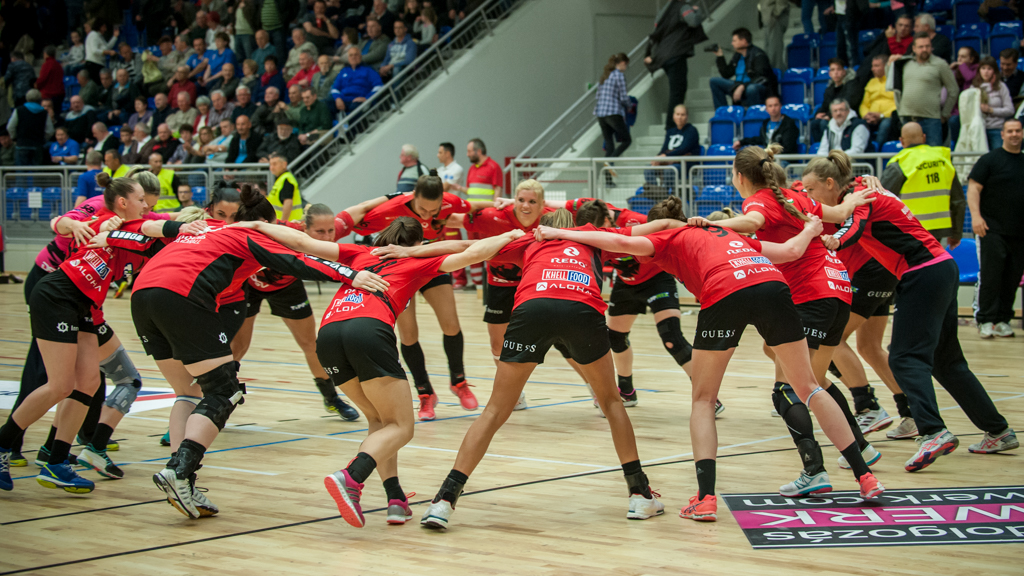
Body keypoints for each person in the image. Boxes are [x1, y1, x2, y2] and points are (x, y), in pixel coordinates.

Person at [544, 192, 884, 522]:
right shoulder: (721, 231)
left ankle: (705, 499)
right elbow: (789, 251)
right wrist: (810, 229)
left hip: (725, 290)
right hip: (771, 284)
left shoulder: (666, 237)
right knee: (809, 386)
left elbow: (619, 241)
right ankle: (865, 477)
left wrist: (561, 233)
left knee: (703, 400)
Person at [228, 215, 516, 528]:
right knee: (401, 427)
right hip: (368, 330)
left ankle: (395, 500)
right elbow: (473, 252)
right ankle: (351, 477)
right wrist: (512, 234)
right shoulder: (418, 261)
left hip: (329, 334)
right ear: (418, 244)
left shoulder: (361, 252)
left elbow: (302, 242)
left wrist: (256, 225)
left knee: (380, 421)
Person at [114, 185, 380, 518]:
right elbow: (299, 261)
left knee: (188, 391)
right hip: (182, 295)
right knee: (225, 390)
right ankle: (179, 470)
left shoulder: (210, 227)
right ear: (266, 224)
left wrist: (107, 231)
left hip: (142, 296)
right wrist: (352, 275)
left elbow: (138, 229)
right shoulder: (250, 234)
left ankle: (183, 478)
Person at [412, 207, 668, 530]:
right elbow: (652, 229)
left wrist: (408, 252)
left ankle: (443, 502)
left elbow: (464, 247)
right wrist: (692, 224)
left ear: (541, 228)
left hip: (533, 307)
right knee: (611, 402)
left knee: (494, 410)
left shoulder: (529, 240)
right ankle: (640, 494)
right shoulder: (592, 239)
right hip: (581, 309)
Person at [694, 144, 880, 496]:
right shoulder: (797, 197)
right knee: (814, 382)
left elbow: (752, 222)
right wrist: (858, 195)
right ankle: (862, 452)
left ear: (739, 177)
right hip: (838, 288)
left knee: (788, 391)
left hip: (811, 293)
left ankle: (815, 470)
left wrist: (712, 224)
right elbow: (841, 212)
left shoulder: (759, 201)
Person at [812, 154, 1019, 470]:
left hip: (921, 272)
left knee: (904, 357)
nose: (810, 196)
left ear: (830, 184)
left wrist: (834, 241)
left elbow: (853, 227)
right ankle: (998, 430)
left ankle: (933, 432)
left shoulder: (861, 196)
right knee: (946, 362)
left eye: (811, 189)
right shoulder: (867, 189)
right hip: (940, 268)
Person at [0, 177, 199, 493]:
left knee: (89, 384)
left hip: (85, 306)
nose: (146, 206)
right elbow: (148, 227)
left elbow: (152, 227)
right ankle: (4, 444)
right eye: (141, 200)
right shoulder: (110, 221)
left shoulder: (128, 225)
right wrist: (180, 228)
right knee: (60, 385)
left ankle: (56, 461)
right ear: (123, 201)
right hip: (57, 295)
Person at [334, 176, 486, 418]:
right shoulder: (391, 208)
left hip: (432, 262)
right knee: (408, 334)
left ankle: (459, 382)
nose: (427, 215)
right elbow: (358, 214)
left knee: (451, 324)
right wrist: (336, 227)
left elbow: (475, 206)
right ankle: (425, 393)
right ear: (413, 197)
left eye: (433, 211)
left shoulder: (450, 202)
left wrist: (505, 203)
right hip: (399, 269)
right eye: (422, 209)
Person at [228, 205, 361, 423]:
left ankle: (331, 398)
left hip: (287, 287)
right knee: (239, 346)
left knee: (311, 344)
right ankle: (220, 397)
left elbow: (360, 210)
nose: (327, 237)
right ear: (303, 227)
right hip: (250, 285)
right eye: (320, 232)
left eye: (330, 231)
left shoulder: (329, 231)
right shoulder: (280, 230)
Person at [968, 118, 1024, 339]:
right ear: (1002, 134)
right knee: (991, 277)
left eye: (1017, 131)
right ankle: (985, 320)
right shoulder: (989, 160)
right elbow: (973, 188)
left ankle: (1002, 320)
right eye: (1010, 131)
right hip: (990, 229)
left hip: (1019, 232)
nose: (1014, 134)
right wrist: (976, 217)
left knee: (1012, 278)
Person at [881, 122, 965, 245]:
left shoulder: (901, 163)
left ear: (901, 141)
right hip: (938, 228)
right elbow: (958, 201)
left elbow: (882, 198)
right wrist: (956, 233)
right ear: (924, 137)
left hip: (910, 229)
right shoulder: (943, 160)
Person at [643, 0, 708, 129]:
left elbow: (656, 30)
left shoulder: (664, 11)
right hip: (676, 54)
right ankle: (672, 126)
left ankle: (672, 124)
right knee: (678, 92)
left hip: (664, 56)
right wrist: (697, 11)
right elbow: (693, 21)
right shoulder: (682, 7)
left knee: (675, 91)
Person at [887, 33, 959, 147]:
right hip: (907, 118)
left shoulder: (940, 64)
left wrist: (945, 114)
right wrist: (889, 65)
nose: (924, 49)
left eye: (927, 46)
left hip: (931, 120)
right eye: (921, 47)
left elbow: (953, 90)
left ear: (931, 47)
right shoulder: (905, 63)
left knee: (933, 154)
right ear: (914, 48)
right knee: (910, 154)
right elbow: (892, 83)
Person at [710, 28, 777, 109]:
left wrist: (743, 86)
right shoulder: (737, 55)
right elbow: (726, 74)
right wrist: (720, 56)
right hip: (739, 85)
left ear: (744, 41)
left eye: (734, 41)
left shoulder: (758, 55)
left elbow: (760, 78)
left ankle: (753, 113)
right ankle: (722, 113)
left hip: (756, 87)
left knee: (751, 89)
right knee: (714, 81)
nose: (732, 43)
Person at [646, 104, 700, 192]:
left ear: (687, 116)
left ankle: (665, 193)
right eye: (677, 114)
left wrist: (665, 156)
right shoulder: (670, 131)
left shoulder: (692, 130)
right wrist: (657, 158)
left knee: (670, 170)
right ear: (673, 116)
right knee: (648, 169)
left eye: (682, 115)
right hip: (668, 162)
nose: (680, 117)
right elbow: (664, 149)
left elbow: (684, 149)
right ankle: (655, 192)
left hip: (684, 164)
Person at [810, 59, 864, 144]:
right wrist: (818, 113)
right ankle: (820, 146)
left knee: (824, 123)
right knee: (814, 123)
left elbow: (849, 103)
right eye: (833, 70)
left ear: (844, 72)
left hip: (847, 117)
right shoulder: (830, 88)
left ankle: (832, 146)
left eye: (838, 69)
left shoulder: (852, 84)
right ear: (830, 73)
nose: (836, 72)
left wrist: (829, 115)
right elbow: (825, 105)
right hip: (833, 115)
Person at [594, 53, 633, 166]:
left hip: (601, 113)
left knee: (609, 143)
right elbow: (623, 97)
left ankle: (608, 175)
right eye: (626, 65)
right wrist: (630, 106)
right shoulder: (619, 75)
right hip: (613, 112)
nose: (626, 68)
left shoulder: (605, 76)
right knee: (627, 140)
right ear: (623, 63)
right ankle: (610, 160)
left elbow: (598, 95)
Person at [7, 89, 55, 166]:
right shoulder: (44, 113)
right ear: (40, 99)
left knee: (21, 171)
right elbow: (50, 131)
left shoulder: (19, 110)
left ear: (27, 98)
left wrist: (15, 138)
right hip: (38, 146)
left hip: (21, 145)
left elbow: (10, 127)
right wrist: (43, 139)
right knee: (37, 171)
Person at [331, 46, 382, 116]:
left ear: (360, 56)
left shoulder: (368, 70)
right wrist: (337, 98)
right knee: (326, 104)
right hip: (343, 99)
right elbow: (335, 88)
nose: (353, 57)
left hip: (359, 100)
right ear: (348, 58)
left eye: (356, 55)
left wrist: (367, 98)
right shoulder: (343, 71)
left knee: (354, 108)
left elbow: (379, 86)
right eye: (351, 55)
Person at [860, 55, 898, 147]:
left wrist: (882, 115)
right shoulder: (871, 82)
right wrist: (866, 115)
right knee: (859, 125)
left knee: (885, 125)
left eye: (876, 66)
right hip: (871, 117)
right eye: (872, 66)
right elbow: (864, 104)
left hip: (889, 117)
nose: (872, 69)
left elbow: (898, 104)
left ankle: (878, 150)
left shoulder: (895, 81)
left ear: (885, 66)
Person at [267, 152, 303, 221]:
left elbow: (288, 203)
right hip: (283, 222)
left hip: (290, 223)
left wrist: (283, 222)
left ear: (284, 164)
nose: (271, 168)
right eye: (270, 164)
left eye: (274, 164)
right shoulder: (281, 179)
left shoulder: (287, 179)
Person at [37, 46, 66, 114]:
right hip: (59, 94)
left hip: (49, 95)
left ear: (45, 54)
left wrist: (36, 85)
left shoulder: (46, 65)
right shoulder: (58, 65)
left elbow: (42, 79)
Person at [760, 0, 789, 69]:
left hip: (775, 19)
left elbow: (781, 2)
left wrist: (775, 13)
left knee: (775, 50)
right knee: (768, 48)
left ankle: (776, 71)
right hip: (767, 17)